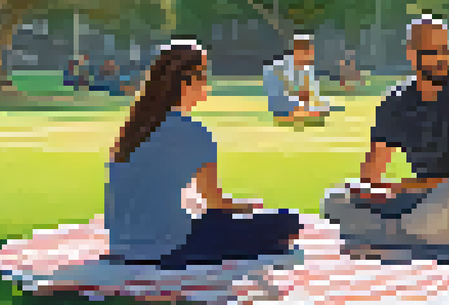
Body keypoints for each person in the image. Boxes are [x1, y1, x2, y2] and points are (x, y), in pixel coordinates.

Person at [103, 40, 301, 269]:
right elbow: (213, 201)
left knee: (220, 221)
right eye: (203, 75)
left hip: (122, 245)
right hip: (167, 247)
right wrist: (247, 206)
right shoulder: (193, 132)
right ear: (187, 81)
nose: (207, 82)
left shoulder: (133, 130)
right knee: (286, 220)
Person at [319, 16, 449, 260]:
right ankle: (401, 234)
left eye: (446, 51)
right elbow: (372, 174)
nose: (442, 60)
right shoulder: (395, 101)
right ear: (411, 53)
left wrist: (397, 188)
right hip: (420, 197)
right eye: (432, 52)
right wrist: (368, 191)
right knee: (334, 201)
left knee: (445, 204)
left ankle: (391, 234)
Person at [264, 34, 336, 123]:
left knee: (323, 103)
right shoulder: (280, 67)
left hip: (295, 102)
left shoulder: (307, 68)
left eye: (310, 51)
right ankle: (293, 115)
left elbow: (312, 94)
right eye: (307, 51)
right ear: (297, 50)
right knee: (295, 104)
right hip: (282, 101)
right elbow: (283, 94)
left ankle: (300, 114)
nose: (310, 55)